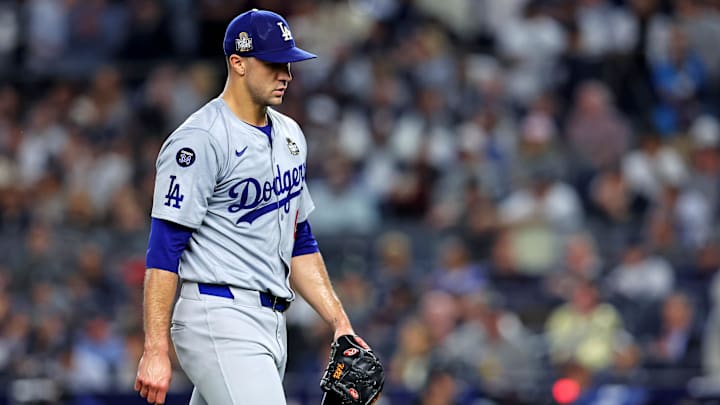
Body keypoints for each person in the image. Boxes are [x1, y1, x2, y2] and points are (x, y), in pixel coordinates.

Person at [133, 9, 361, 405]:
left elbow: (299, 239)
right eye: (273, 63)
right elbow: (164, 247)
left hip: (272, 319)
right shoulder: (200, 139)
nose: (286, 73)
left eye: (288, 62)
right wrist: (155, 349)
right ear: (237, 63)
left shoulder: (291, 134)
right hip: (218, 313)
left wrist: (339, 321)